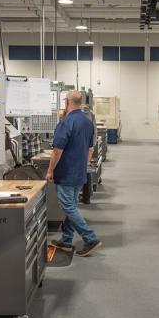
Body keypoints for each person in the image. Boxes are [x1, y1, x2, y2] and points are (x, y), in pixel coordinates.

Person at [47, 89, 101, 257]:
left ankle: (90, 238)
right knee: (72, 206)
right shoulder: (88, 122)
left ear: (66, 102)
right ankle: (67, 239)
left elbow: (57, 151)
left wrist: (50, 170)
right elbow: (90, 149)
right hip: (79, 173)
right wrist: (82, 165)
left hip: (66, 173)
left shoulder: (66, 122)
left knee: (68, 206)